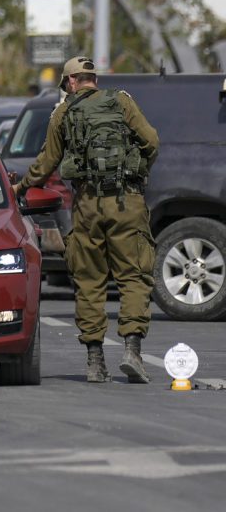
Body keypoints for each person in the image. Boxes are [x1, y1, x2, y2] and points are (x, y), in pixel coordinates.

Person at [11, 56, 159, 384]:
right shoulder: (122, 102)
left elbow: (47, 161)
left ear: (72, 82)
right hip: (127, 202)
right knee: (133, 277)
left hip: (88, 204)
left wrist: (19, 186)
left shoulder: (63, 113)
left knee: (89, 280)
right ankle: (132, 350)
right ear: (93, 79)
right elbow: (151, 141)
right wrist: (136, 173)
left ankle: (95, 361)